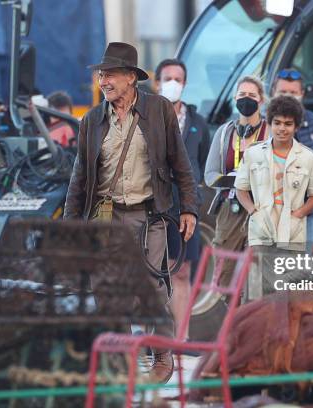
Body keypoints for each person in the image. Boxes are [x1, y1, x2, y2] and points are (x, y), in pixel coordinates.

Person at [63, 42, 199, 383]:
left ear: (130, 78)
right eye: (99, 74)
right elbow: (80, 176)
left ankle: (162, 353)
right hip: (105, 218)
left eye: (109, 74)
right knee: (107, 290)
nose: (102, 81)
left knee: (152, 288)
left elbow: (180, 163)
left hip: (149, 215)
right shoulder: (92, 120)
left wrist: (190, 209)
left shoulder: (159, 110)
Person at [235, 96, 313, 298]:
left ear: (297, 126)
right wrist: (253, 211)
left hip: (292, 236)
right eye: (277, 123)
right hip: (260, 233)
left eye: (288, 124)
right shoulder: (253, 153)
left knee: (289, 297)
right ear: (269, 123)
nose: (282, 129)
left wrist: (299, 213)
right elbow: (241, 189)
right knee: (254, 295)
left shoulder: (309, 158)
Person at [154, 58, 210, 340]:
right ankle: (155, 337)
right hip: (154, 208)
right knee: (154, 272)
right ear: (157, 82)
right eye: (167, 78)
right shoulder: (146, 120)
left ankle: (181, 338)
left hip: (186, 209)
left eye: (178, 79)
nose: (173, 84)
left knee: (182, 271)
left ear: (185, 84)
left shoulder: (198, 123)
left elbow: (202, 162)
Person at [205, 75, 268, 283]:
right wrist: (235, 180)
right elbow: (210, 175)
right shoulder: (224, 133)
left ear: (261, 100)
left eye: (252, 95)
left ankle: (249, 313)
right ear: (234, 98)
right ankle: (233, 314)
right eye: (242, 95)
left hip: (260, 209)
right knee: (223, 276)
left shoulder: (272, 133)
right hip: (230, 207)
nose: (246, 99)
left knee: (255, 276)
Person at [271, 68, 313, 254]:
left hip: (305, 214)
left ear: (302, 94)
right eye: (282, 92)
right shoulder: (264, 123)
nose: (288, 97)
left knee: (300, 275)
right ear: (273, 94)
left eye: (293, 93)